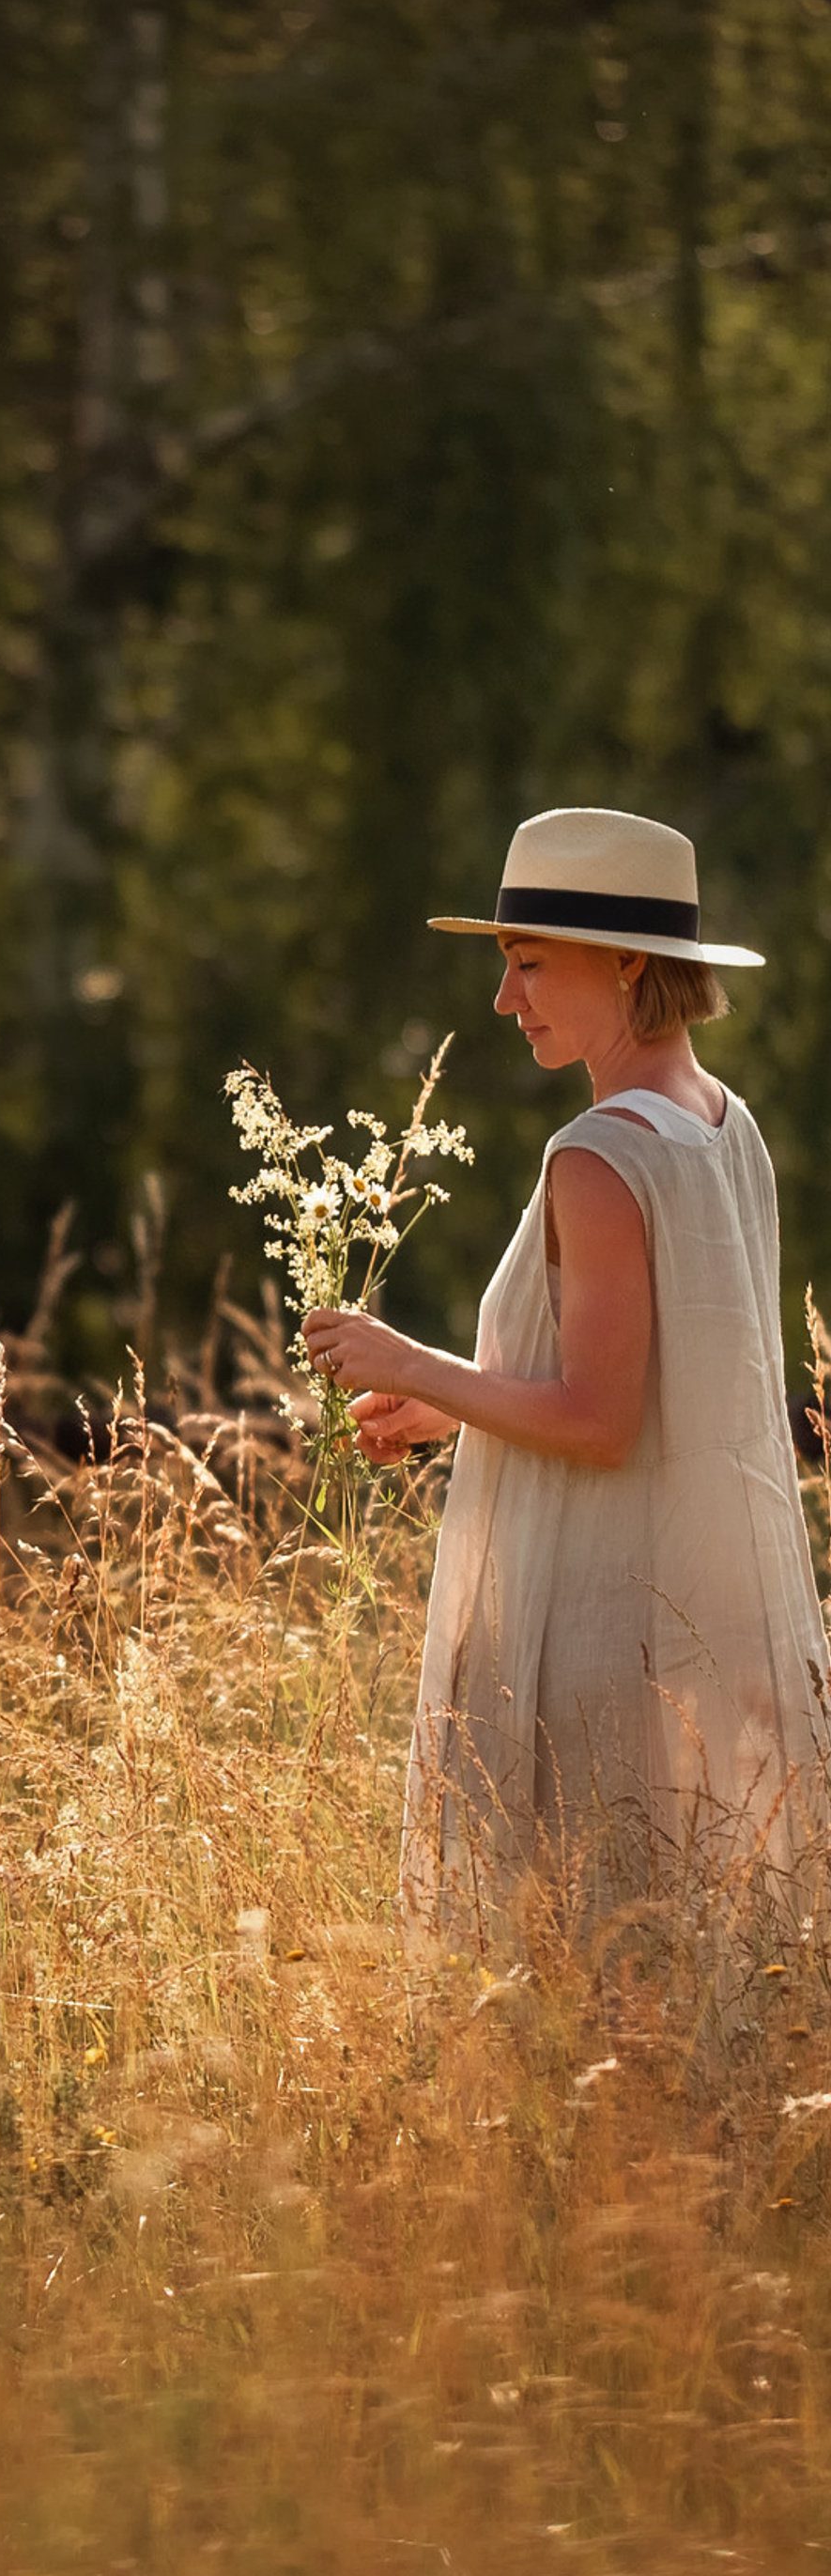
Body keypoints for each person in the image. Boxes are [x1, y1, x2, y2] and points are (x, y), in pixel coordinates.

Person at [300, 805, 829, 1924]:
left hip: (596, 1624)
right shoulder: (726, 1127)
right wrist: (459, 1410)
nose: (504, 1001)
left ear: (630, 960)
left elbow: (600, 1424)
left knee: (581, 1992)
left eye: (529, 964)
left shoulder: (596, 1156)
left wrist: (415, 1363)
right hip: (697, 1621)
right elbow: (657, 1383)